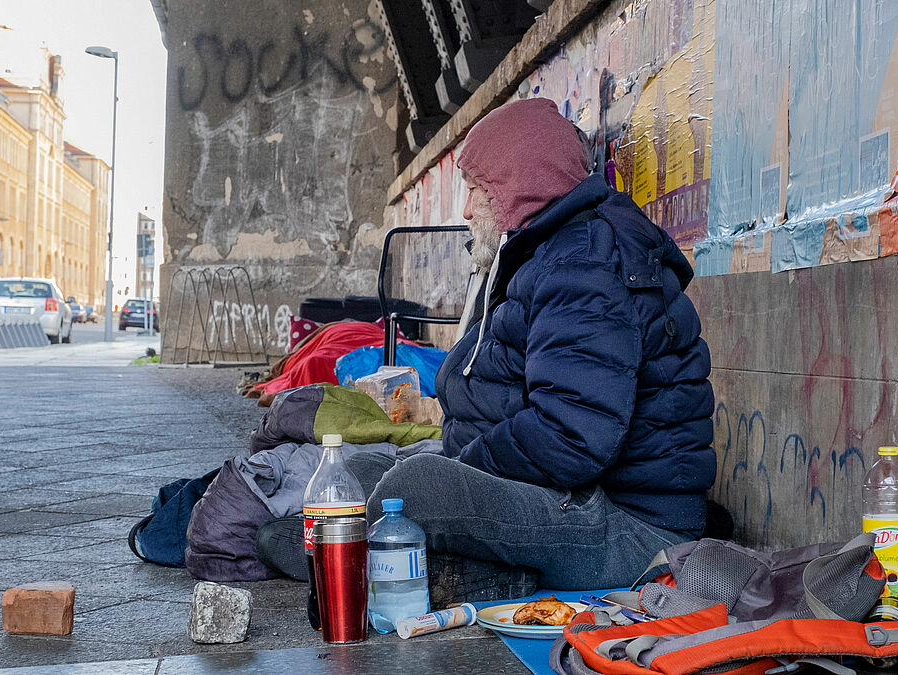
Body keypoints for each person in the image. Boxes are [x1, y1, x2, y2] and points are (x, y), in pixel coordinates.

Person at [258, 97, 716, 590]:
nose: (467, 208)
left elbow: (572, 437)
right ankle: (393, 560)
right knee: (370, 468)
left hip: (635, 532)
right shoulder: (547, 254)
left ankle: (355, 563)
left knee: (420, 489)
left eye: (477, 189)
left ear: (521, 189)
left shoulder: (583, 268)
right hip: (583, 500)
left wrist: (462, 465)